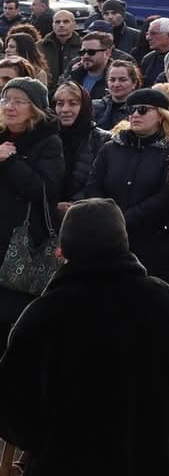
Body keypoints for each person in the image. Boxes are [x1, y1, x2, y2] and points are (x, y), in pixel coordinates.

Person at [0, 198, 169, 474]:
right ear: (124, 242)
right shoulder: (166, 301)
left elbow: (14, 418)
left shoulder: (42, 317)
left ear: (62, 251)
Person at [83, 85, 169, 281]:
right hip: (110, 239)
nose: (135, 115)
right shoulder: (110, 148)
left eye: (143, 110)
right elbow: (93, 185)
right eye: (130, 110)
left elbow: (167, 196)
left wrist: (125, 218)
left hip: (153, 242)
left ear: (161, 115)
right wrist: (109, 217)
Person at [0, 77, 66, 330]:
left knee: (12, 323)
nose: (9, 106)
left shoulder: (48, 141)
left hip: (21, 245)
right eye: (6, 99)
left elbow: (44, 190)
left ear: (35, 108)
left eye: (19, 101)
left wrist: (10, 162)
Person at [50, 81, 105, 211]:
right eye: (60, 104)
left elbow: (99, 183)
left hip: (86, 213)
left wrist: (74, 205)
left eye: (73, 103)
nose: (65, 110)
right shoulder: (47, 137)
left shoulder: (102, 140)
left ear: (84, 106)